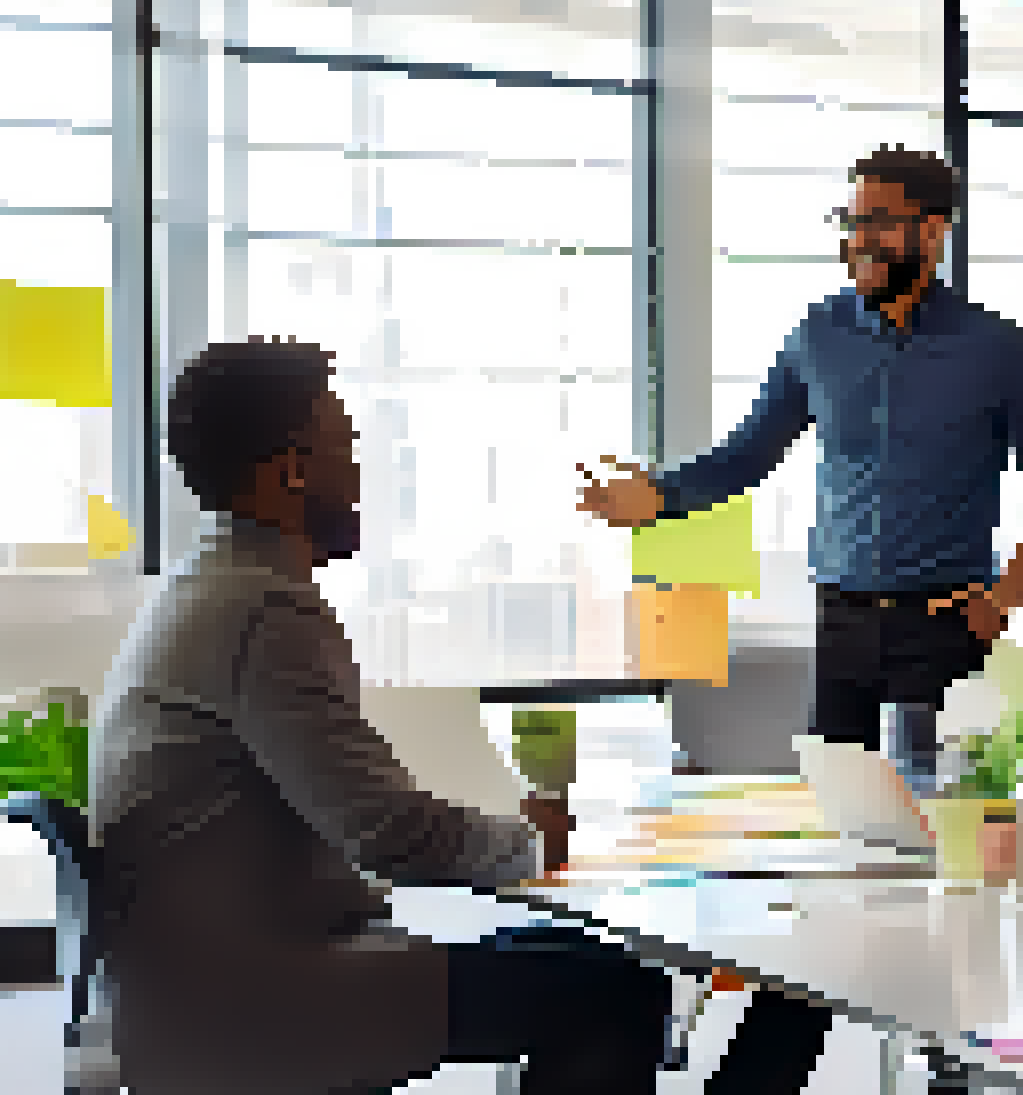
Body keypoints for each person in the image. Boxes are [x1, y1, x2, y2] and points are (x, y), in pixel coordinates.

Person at [91, 338, 823, 1095]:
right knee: (610, 993)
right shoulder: (264, 611)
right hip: (254, 997)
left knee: (586, 963)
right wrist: (536, 846)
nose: (358, 476)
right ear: (292, 470)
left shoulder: (209, 585)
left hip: (203, 976)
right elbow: (389, 831)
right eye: (346, 446)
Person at [576, 146, 1023, 798]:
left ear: (933, 231)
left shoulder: (1000, 349)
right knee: (841, 813)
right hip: (841, 623)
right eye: (850, 223)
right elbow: (748, 454)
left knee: (941, 815)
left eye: (878, 222)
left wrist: (1004, 597)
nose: (859, 241)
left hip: (946, 623)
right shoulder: (816, 337)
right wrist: (657, 493)